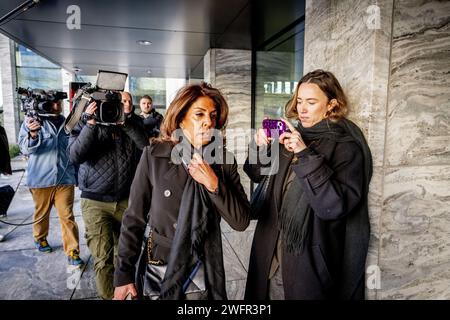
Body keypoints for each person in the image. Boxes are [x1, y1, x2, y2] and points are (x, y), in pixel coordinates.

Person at [113, 82, 250, 300]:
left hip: (202, 264)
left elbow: (241, 221)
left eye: (213, 116)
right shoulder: (154, 156)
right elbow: (134, 218)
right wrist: (123, 274)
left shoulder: (223, 162)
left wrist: (213, 184)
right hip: (161, 261)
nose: (208, 122)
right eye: (199, 114)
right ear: (180, 119)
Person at [244, 69, 373, 300]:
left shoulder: (346, 148)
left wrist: (305, 154)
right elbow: (255, 174)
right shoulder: (292, 134)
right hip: (269, 251)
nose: (302, 109)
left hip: (307, 262)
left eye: (311, 102)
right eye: (300, 101)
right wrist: (260, 147)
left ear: (332, 105)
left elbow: (334, 206)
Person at [69, 91, 148, 299]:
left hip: (126, 200)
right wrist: (91, 124)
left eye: (128, 102)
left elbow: (146, 147)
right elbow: (75, 155)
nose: (125, 104)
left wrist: (126, 122)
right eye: (121, 102)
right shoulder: (83, 121)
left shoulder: (133, 122)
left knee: (124, 256)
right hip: (94, 201)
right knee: (103, 258)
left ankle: (124, 291)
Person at [17, 100, 84, 266]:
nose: (56, 106)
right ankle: (40, 238)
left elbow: (75, 149)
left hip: (64, 178)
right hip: (40, 180)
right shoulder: (32, 121)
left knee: (67, 216)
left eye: (58, 103)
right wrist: (32, 134)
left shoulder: (69, 123)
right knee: (42, 213)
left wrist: (76, 175)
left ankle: (72, 251)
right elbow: (25, 149)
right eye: (52, 104)